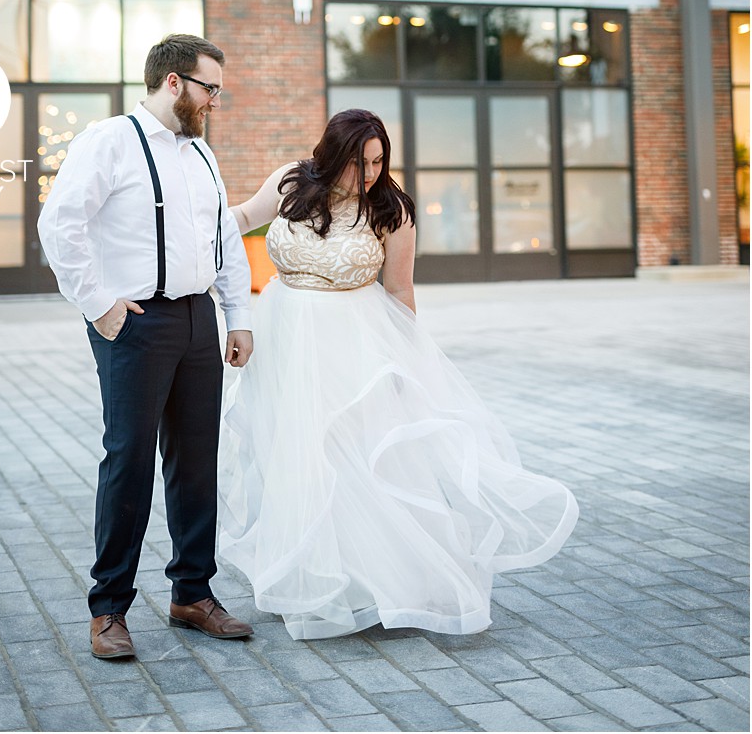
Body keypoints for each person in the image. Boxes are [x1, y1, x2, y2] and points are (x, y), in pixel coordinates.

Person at [220, 109, 579, 639]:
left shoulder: (391, 209)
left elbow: (400, 290)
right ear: (330, 154)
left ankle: (364, 585)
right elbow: (243, 217)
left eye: (377, 161)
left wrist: (402, 361)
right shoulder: (291, 182)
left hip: (352, 346)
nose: (368, 174)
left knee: (347, 458)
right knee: (290, 456)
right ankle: (306, 576)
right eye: (357, 162)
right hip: (282, 340)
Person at [38, 33, 256, 661]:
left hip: (196, 323)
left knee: (196, 462)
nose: (215, 100)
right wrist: (99, 305)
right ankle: (109, 609)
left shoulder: (202, 155)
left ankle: (193, 593)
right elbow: (60, 224)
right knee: (128, 461)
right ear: (173, 82)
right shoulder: (110, 142)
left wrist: (236, 315)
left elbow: (223, 239)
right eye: (208, 87)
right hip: (133, 324)